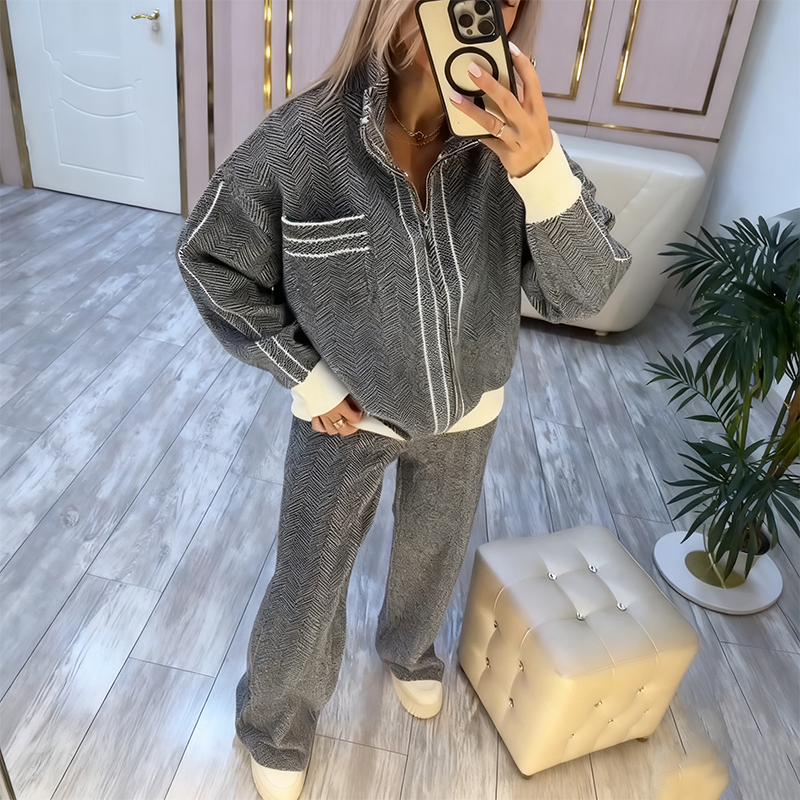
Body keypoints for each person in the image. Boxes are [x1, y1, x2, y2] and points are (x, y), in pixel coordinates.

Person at [176, 1, 631, 797]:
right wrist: (306, 376)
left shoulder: (512, 148)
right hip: (346, 416)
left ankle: (410, 650)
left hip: (468, 408)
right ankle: (275, 725)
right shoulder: (299, 144)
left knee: (434, 550)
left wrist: (541, 169)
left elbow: (585, 290)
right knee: (308, 581)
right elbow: (208, 255)